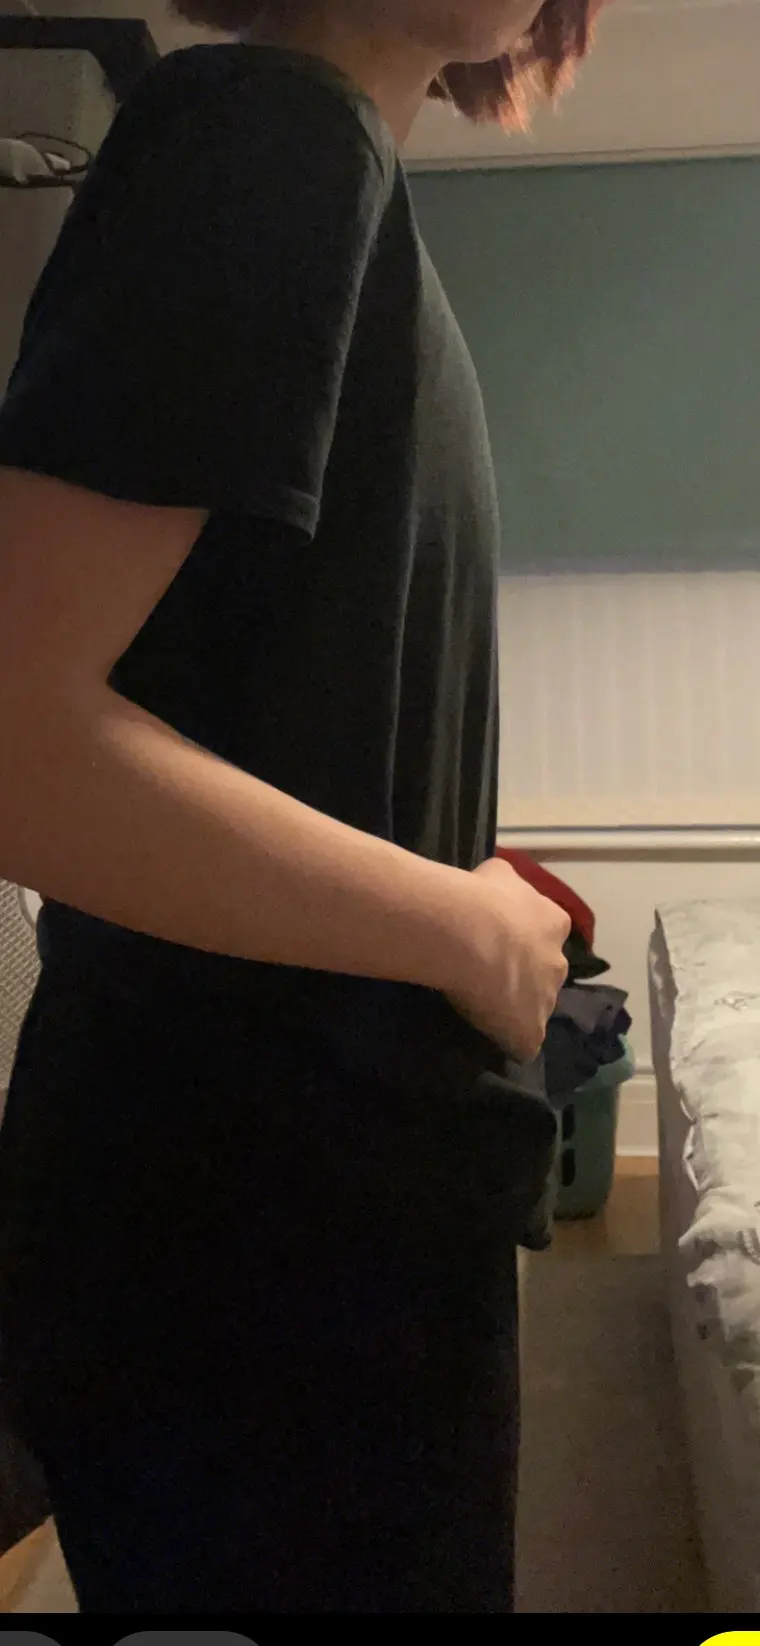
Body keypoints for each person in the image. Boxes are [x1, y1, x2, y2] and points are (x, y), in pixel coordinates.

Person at [0, 0, 595, 1614]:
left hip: (293, 1205)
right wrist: (463, 925)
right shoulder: (270, 137)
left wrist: (447, 869)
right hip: (258, 1229)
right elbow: (16, 739)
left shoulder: (327, 178)